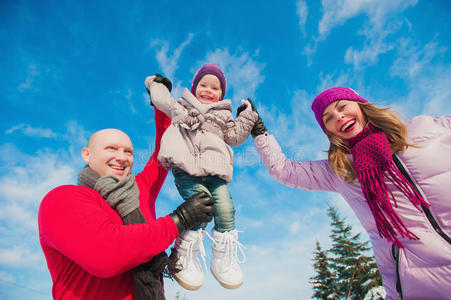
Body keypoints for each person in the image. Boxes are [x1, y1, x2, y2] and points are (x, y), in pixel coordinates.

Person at [250, 87, 451, 299]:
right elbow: (284, 170)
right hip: (419, 286)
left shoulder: (423, 129)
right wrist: (259, 131)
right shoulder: (339, 171)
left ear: (360, 105)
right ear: (328, 130)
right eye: (328, 118)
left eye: (342, 106)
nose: (339, 116)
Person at [38, 106, 216, 300]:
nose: (122, 157)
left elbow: (164, 149)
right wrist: (179, 220)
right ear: (87, 154)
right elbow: (105, 254)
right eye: (111, 149)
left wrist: (161, 102)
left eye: (128, 152)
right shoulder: (63, 199)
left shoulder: (140, 191)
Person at [144, 64, 258, 290]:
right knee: (202, 205)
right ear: (195, 88)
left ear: (221, 94)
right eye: (203, 85)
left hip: (215, 171)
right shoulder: (181, 107)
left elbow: (235, 138)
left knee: (225, 207)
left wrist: (247, 116)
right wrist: (155, 84)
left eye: (214, 88)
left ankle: (223, 256)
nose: (208, 90)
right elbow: (161, 100)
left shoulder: (223, 116)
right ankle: (184, 252)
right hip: (187, 168)